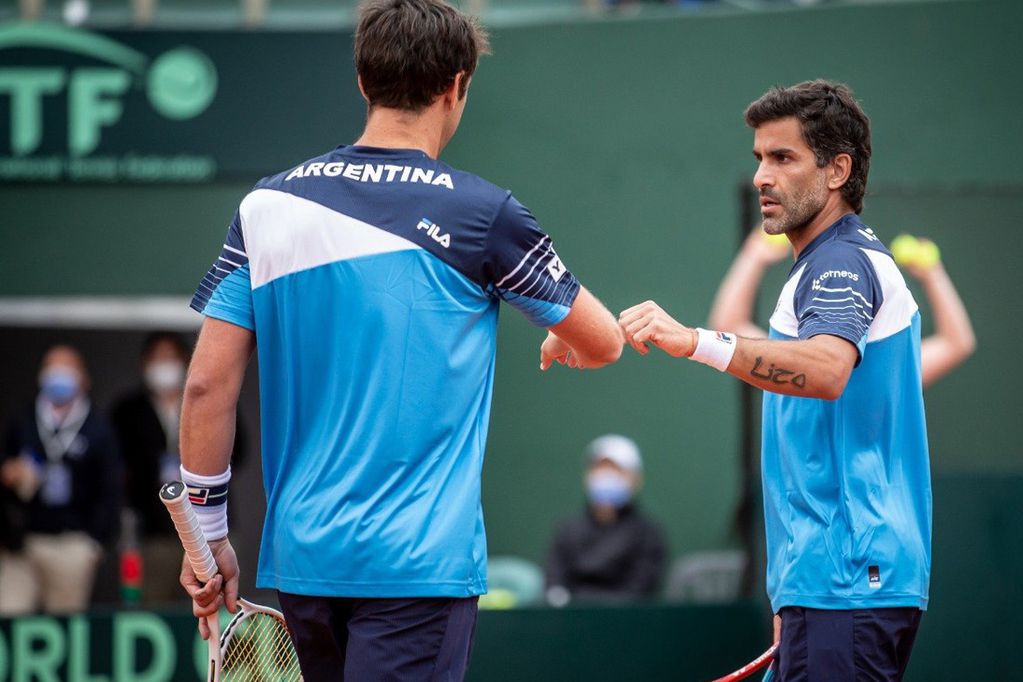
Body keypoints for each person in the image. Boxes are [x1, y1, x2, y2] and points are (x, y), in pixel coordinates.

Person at [177, 0, 623, 679]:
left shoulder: (266, 207)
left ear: (362, 81)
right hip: (418, 567)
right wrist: (566, 339)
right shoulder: (484, 213)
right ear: (456, 86)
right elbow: (603, 341)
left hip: (304, 562)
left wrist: (208, 541)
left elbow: (208, 385)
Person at [619, 80, 930, 681]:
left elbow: (828, 369)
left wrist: (696, 342)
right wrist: (794, 589)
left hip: (848, 579)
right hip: (829, 583)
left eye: (783, 157)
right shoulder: (823, 263)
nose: (762, 175)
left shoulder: (842, 262)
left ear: (837, 170)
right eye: (759, 158)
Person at [708, 229, 975, 388]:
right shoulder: (793, 364)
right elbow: (726, 328)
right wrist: (754, 256)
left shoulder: (890, 371)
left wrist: (933, 274)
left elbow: (957, 342)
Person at [111, 331, 246, 606]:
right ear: (144, 363)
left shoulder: (210, 404)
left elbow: (239, 450)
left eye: (170, 358)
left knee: (214, 604)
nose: (165, 365)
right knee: (152, 602)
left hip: (209, 526)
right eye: (158, 359)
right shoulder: (128, 410)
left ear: (186, 360)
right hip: (152, 530)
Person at [0, 345, 121, 615]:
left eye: (67, 369)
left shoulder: (98, 428)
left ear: (83, 379)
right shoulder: (24, 421)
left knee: (65, 624)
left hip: (72, 543)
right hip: (24, 542)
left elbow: (110, 490)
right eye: (52, 368)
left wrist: (94, 544)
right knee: (10, 613)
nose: (58, 376)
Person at [544, 434, 666, 605]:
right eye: (600, 469)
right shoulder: (567, 529)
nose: (606, 477)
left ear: (636, 479)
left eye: (616, 471)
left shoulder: (648, 533)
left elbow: (640, 590)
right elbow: (554, 585)